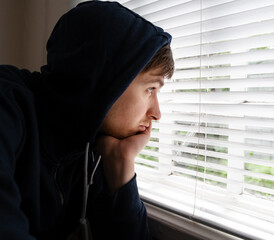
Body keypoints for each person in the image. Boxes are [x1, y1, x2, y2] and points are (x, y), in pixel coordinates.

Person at [0, 1, 174, 239]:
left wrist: (121, 167)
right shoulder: (7, 104)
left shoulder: (93, 143)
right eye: (151, 89)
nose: (156, 113)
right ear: (109, 78)